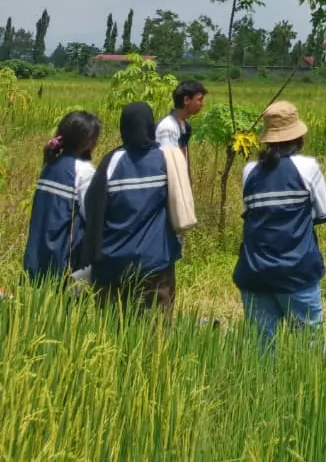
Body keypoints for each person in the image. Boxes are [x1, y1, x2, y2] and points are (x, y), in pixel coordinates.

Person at [233, 100, 326, 345]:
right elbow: (323, 214)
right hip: (297, 272)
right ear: (297, 136)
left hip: (255, 272)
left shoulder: (250, 171)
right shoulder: (307, 168)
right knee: (311, 349)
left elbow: (249, 213)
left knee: (261, 348)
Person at [83, 102, 181, 313]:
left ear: (123, 128)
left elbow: (92, 210)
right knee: (155, 335)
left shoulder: (111, 161)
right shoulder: (164, 159)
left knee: (112, 332)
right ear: (150, 126)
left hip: (113, 264)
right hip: (155, 261)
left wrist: (93, 256)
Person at [23, 110, 101, 282]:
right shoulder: (83, 171)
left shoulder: (50, 165)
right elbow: (93, 216)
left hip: (37, 254)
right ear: (87, 141)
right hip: (65, 260)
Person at [155, 80, 207, 159]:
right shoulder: (168, 127)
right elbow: (169, 162)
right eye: (199, 100)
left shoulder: (185, 125)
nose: (202, 104)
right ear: (186, 100)